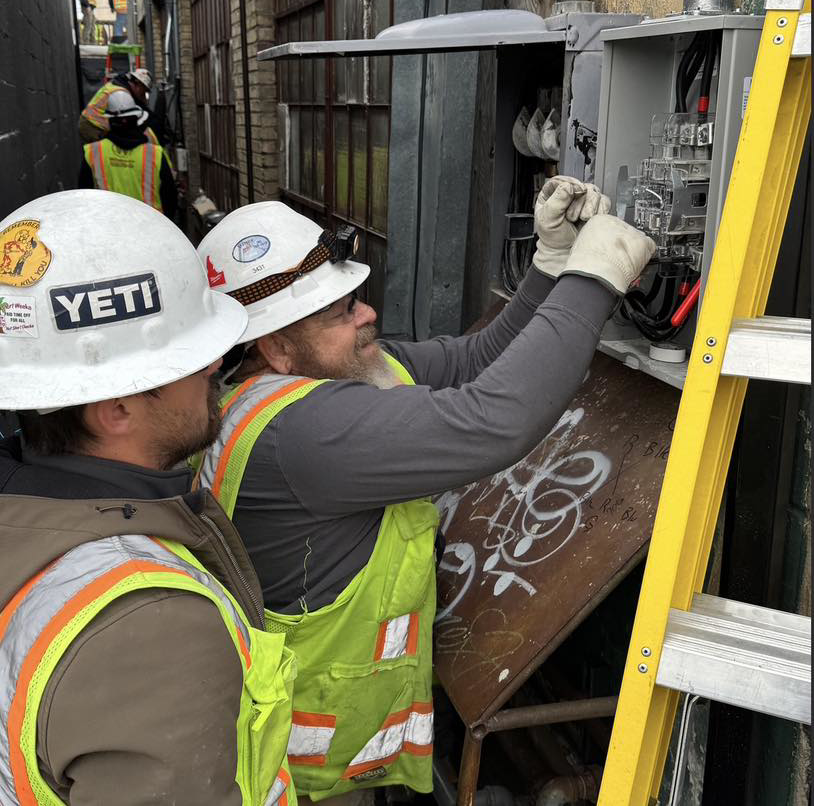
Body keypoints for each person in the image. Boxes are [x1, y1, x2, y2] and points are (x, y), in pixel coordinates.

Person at [195, 178, 656, 803]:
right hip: (306, 775)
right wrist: (594, 279)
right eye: (342, 312)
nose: (367, 315)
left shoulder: (292, 391)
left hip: (324, 740)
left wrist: (550, 267)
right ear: (276, 348)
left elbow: (474, 360)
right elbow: (495, 419)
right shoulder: (305, 433)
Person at [0, 188, 297, 806]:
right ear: (117, 409)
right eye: (190, 357)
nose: (215, 367)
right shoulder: (150, 624)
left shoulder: (24, 514)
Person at [79, 89, 177, 220]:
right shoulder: (155, 154)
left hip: (110, 227)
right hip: (149, 227)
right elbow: (170, 197)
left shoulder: (93, 152)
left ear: (110, 121)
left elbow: (83, 198)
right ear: (136, 119)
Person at [79, 68, 153, 144]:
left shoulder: (118, 86)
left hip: (91, 122)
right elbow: (125, 123)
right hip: (93, 125)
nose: (143, 96)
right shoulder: (121, 95)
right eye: (144, 91)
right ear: (139, 85)